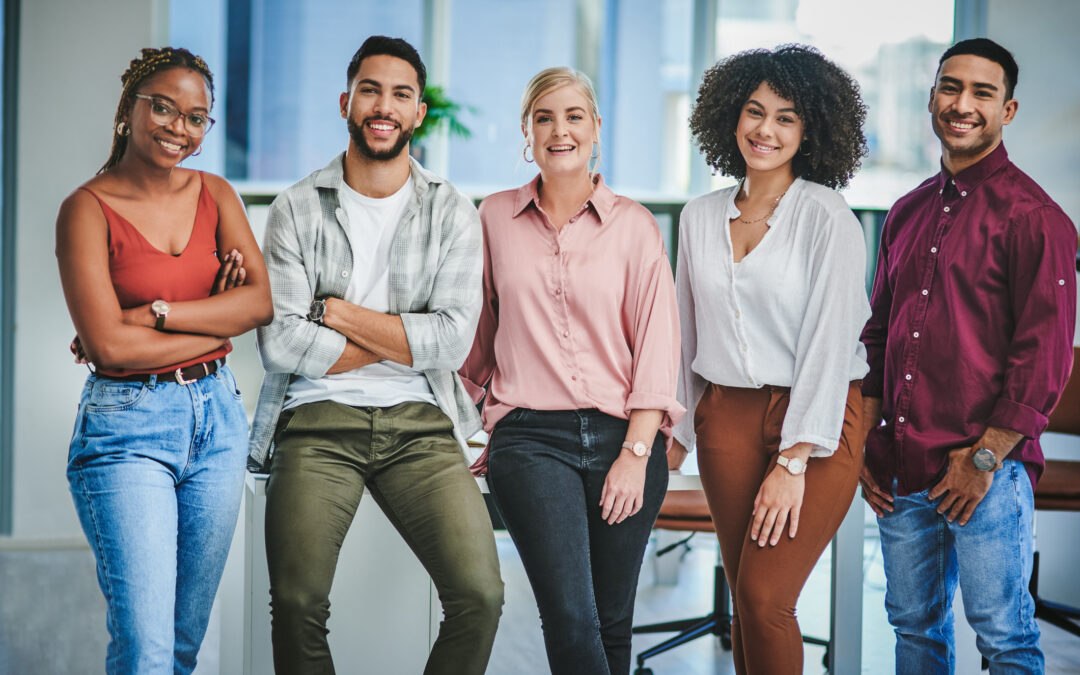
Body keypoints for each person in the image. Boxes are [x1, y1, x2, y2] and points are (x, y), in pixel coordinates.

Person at [247, 35, 503, 674]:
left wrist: (333, 313)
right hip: (314, 424)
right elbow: (282, 344)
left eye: (401, 94)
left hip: (421, 425)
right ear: (346, 102)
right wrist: (402, 339)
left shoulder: (451, 211)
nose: (383, 105)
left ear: (419, 112)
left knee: (480, 596)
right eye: (370, 90)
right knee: (298, 602)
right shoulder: (296, 208)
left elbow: (451, 341)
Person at [860, 37, 1077, 674]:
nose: (962, 104)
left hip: (986, 471)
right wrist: (866, 439)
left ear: (1007, 111)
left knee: (1004, 637)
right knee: (913, 630)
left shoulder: (1036, 218)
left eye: (983, 92)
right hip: (899, 466)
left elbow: (1043, 360)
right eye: (950, 88)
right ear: (932, 99)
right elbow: (879, 336)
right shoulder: (905, 213)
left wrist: (983, 460)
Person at [459, 66, 682, 675]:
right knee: (572, 616)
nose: (560, 130)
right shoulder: (493, 219)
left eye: (573, 116)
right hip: (531, 439)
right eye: (544, 118)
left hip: (624, 438)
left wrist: (637, 455)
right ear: (527, 133)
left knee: (613, 622)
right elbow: (472, 340)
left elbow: (657, 351)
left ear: (596, 129)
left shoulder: (635, 227)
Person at [55, 47, 272, 674]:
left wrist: (152, 313)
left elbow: (258, 303)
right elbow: (108, 348)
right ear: (129, 109)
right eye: (165, 108)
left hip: (218, 424)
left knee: (181, 646)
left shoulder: (217, 193)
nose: (180, 126)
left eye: (197, 117)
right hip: (126, 429)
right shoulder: (85, 210)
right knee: (145, 650)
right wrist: (214, 317)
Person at [672, 45, 871, 675]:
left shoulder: (825, 216)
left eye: (786, 117)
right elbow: (682, 335)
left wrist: (793, 457)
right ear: (731, 118)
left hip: (816, 416)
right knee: (744, 603)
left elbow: (830, 340)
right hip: (726, 414)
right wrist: (674, 431)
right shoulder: (699, 217)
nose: (766, 129)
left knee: (767, 599)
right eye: (755, 112)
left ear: (810, 128)